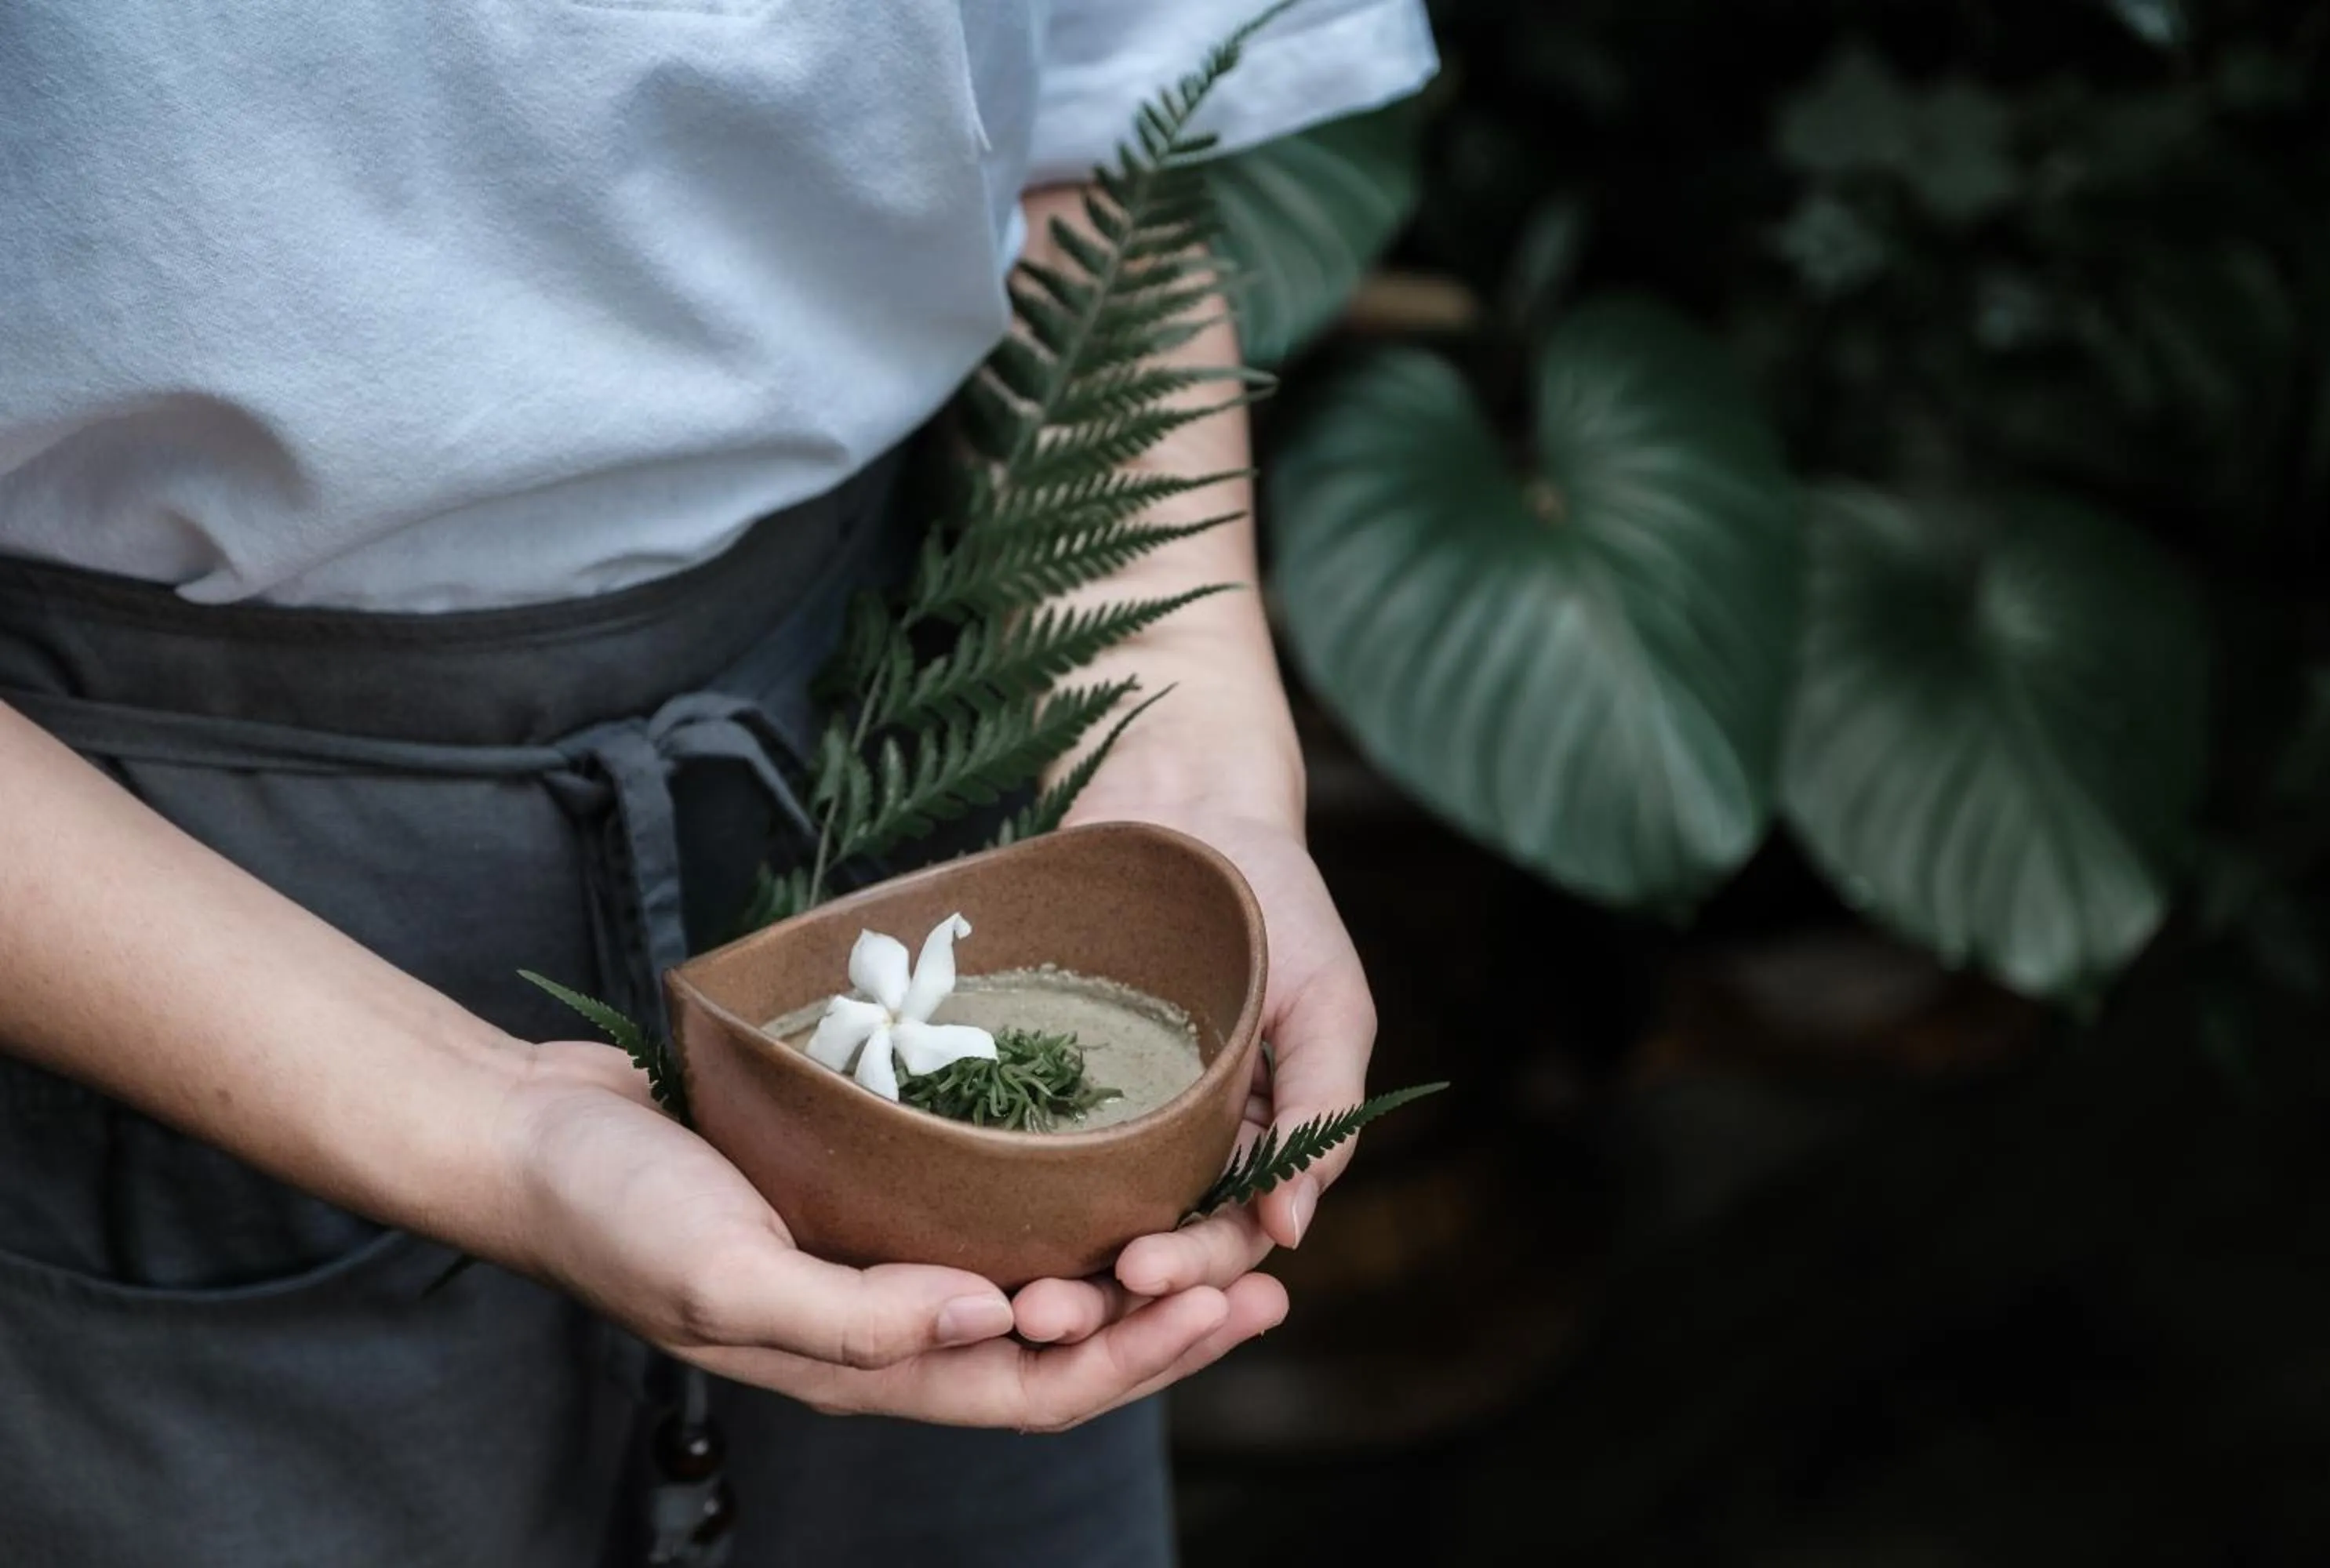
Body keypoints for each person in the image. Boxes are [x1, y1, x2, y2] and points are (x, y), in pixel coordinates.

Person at [0, 3, 1437, 1566]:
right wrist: (503, 1135)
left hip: (882, 742)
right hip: (151, 929)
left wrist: (1193, 773)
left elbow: (1083, 158)